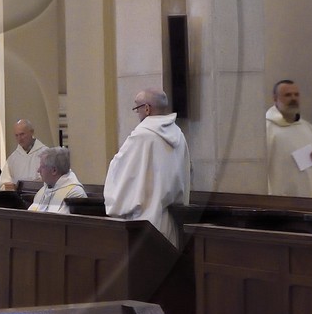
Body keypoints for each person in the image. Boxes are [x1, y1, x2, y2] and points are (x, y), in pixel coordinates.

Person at [103, 88, 191, 246]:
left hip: (144, 221)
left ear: (147, 108)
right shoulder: (179, 135)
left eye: (137, 108)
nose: (137, 113)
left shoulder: (142, 136)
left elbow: (121, 171)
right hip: (170, 220)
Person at [27, 146, 86, 213]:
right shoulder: (43, 190)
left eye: (42, 167)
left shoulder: (75, 194)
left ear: (54, 170)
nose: (38, 170)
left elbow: (61, 219)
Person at [1, 119, 49, 190]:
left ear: (32, 132)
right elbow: (3, 184)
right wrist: (9, 187)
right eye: (16, 135)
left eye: (22, 134)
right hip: (18, 196)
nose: (19, 139)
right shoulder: (12, 159)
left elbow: (51, 180)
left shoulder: (46, 154)